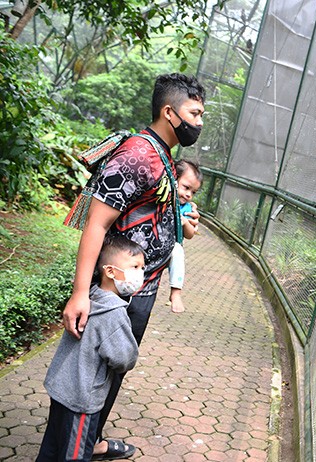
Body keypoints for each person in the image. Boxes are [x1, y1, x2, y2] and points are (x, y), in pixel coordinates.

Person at [61, 73, 205, 459]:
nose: (199, 121)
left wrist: (180, 225)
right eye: (195, 113)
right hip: (117, 288)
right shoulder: (139, 154)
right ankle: (78, 446)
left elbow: (151, 211)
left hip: (140, 286)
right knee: (96, 372)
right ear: (169, 112)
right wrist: (80, 293)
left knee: (112, 369)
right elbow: (97, 222)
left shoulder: (164, 156)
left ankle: (91, 441)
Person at [36, 235, 143, 462]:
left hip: (61, 388)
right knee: (74, 454)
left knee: (52, 447)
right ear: (111, 272)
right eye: (135, 266)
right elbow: (123, 359)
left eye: (142, 267)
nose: (140, 273)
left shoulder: (88, 296)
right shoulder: (114, 313)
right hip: (81, 399)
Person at [167, 159, 203, 313]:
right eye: (186, 188)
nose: (188, 195)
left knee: (178, 252)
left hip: (171, 243)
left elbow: (189, 235)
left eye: (193, 192)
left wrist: (184, 222)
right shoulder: (165, 196)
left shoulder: (187, 208)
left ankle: (175, 293)